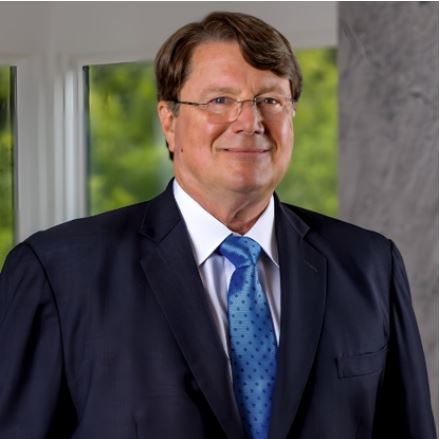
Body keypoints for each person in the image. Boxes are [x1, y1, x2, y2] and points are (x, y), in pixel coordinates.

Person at [0, 11, 436, 439]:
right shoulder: (58, 274)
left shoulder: (369, 265)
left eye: (270, 100)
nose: (250, 122)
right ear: (169, 121)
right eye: (220, 100)